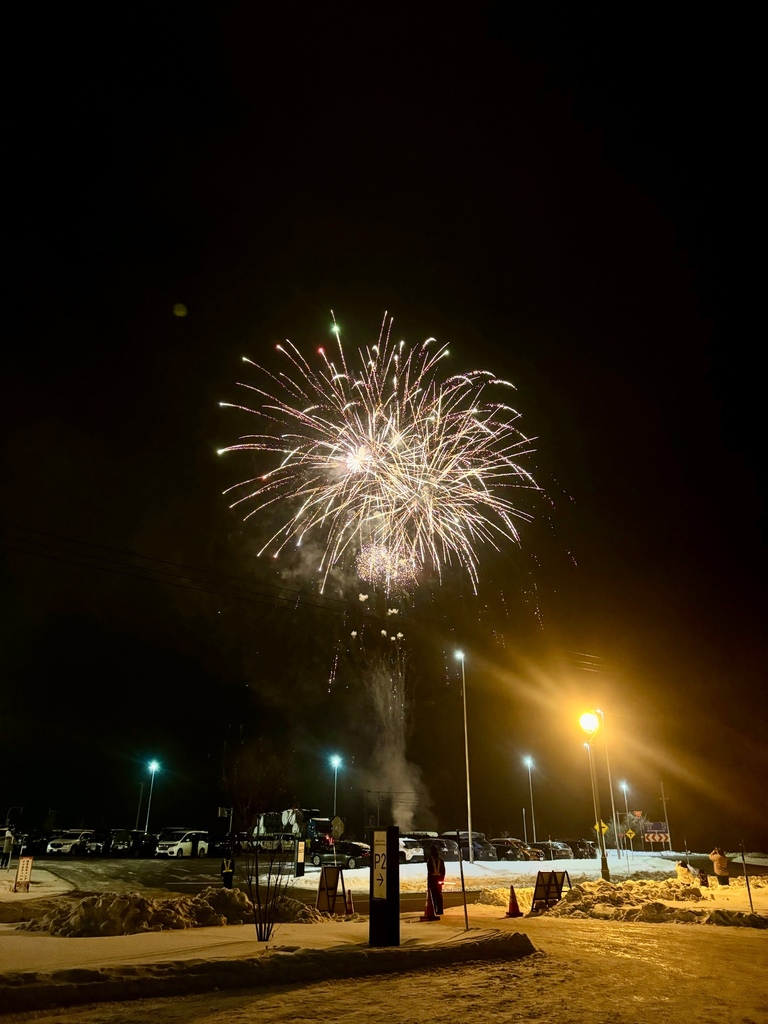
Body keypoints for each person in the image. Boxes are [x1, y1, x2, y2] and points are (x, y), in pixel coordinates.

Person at [427, 843, 446, 915]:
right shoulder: (441, 859)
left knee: (433, 896)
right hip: (439, 879)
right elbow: (443, 871)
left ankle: (434, 909)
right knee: (439, 895)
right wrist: (442, 879)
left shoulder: (430, 859)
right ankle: (440, 910)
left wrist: (429, 883)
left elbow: (429, 871)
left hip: (432, 880)